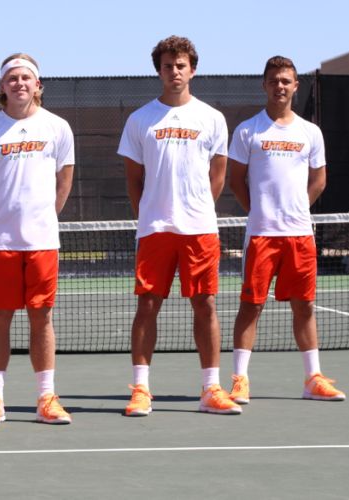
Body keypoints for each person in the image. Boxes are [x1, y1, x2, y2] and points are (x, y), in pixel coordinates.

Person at [118, 35, 240, 416]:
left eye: (181, 65)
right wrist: (152, 214)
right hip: (155, 229)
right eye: (168, 65)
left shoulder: (212, 118)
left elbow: (217, 176)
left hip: (200, 229)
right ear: (159, 70)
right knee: (148, 305)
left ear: (193, 69)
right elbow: (134, 179)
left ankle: (211, 389)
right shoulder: (139, 119)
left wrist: (196, 209)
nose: (175, 71)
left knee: (204, 304)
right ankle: (140, 388)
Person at [226, 56, 345, 404]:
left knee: (304, 306)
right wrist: (262, 212)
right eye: (274, 80)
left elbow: (319, 180)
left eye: (286, 81)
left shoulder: (311, 133)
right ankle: (239, 380)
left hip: (300, 236)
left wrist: (294, 210)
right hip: (261, 236)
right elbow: (236, 181)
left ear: (295, 86)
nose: (280, 85)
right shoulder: (248, 130)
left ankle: (313, 379)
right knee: (251, 305)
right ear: (264, 85)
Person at [0, 54, 75, 426]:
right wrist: (4, 218)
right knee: (0, 318)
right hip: (2, 242)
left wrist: (43, 218)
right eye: (12, 78)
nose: (19, 83)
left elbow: (64, 181)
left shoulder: (58, 128)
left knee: (41, 318)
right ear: (2, 87)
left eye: (26, 77)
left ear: (38, 85)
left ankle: (46, 398)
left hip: (43, 242)